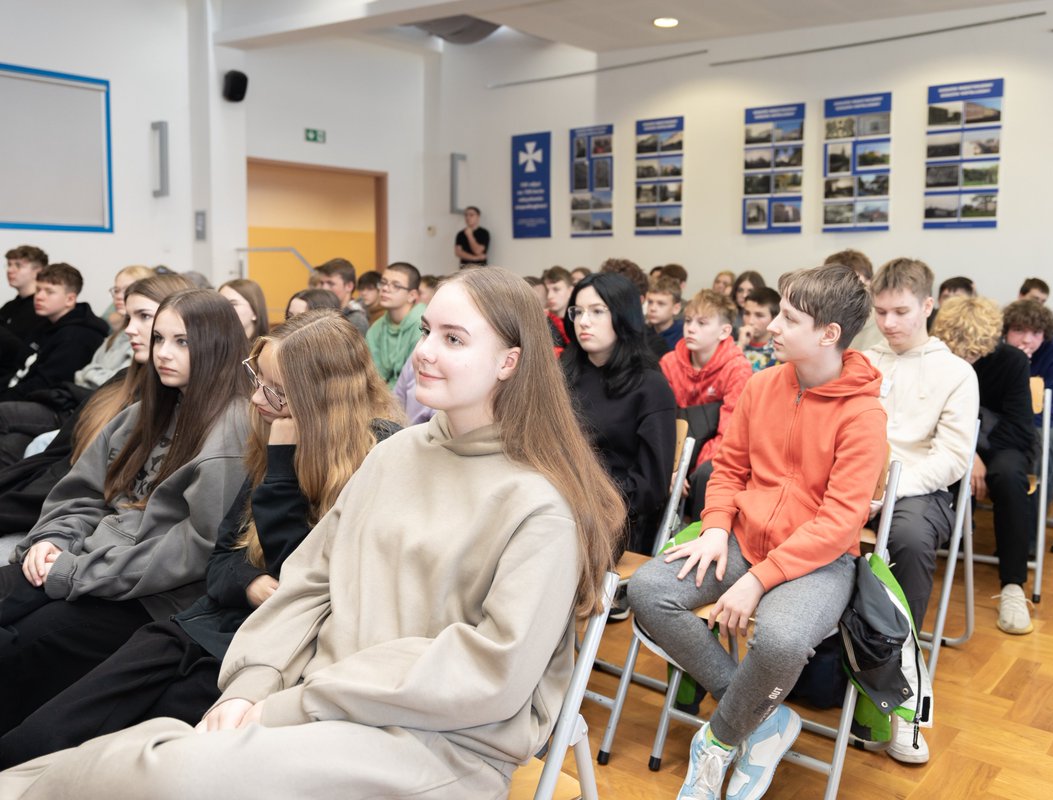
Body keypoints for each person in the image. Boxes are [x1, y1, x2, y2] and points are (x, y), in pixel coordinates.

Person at [0, 267, 625, 800]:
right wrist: (251, 684)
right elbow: (308, 583)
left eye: (454, 339)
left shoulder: (540, 504)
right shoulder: (398, 454)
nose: (424, 352)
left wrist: (285, 705)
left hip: (436, 742)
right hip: (319, 699)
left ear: (510, 362)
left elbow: (490, 672)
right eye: (429, 330)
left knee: (171, 774)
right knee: (119, 758)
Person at [0, 310, 401, 768]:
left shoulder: (379, 454)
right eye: (258, 378)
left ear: (319, 396)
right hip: (198, 624)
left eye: (276, 390)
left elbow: (303, 577)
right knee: (36, 738)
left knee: (124, 763)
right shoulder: (274, 432)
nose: (257, 398)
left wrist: (282, 465)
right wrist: (250, 583)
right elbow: (222, 564)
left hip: (262, 650)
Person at [628, 264, 887, 800]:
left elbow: (841, 522)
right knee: (649, 591)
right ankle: (764, 725)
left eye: (788, 318)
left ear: (828, 334)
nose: (771, 326)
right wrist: (717, 528)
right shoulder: (763, 385)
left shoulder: (864, 416)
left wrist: (761, 579)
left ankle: (718, 743)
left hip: (816, 562)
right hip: (742, 538)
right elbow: (728, 469)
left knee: (781, 637)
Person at [0, 289, 250, 736]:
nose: (162, 354)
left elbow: (190, 553)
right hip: (83, 562)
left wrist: (76, 571)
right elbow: (80, 492)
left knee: (21, 646)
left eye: (182, 342)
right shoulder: (145, 412)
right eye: (159, 339)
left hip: (146, 598)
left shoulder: (229, 436)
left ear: (216, 345)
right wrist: (51, 539)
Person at [863, 258, 977, 762]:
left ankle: (903, 698)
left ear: (928, 306)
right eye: (881, 311)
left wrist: (891, 492)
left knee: (906, 541)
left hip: (917, 491)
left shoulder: (956, 372)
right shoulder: (864, 360)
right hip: (856, 482)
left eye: (902, 311)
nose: (890, 323)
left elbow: (951, 459)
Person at [0, 275, 193, 538]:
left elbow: (108, 498)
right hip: (50, 501)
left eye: (144, 317)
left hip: (75, 518)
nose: (129, 329)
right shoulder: (121, 381)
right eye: (128, 318)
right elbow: (57, 458)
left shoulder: (169, 402)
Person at [933, 297, 1036, 635]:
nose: (966, 361)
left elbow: (1019, 427)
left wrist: (974, 450)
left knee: (1008, 477)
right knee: (942, 473)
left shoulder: (1012, 361)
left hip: (1002, 444)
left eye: (974, 356)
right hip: (954, 444)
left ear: (990, 344)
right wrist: (967, 454)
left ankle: (1013, 586)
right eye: (960, 355)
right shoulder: (937, 359)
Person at [562, 272, 676, 556]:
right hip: (557, 498)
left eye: (597, 311)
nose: (583, 321)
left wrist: (593, 496)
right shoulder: (564, 372)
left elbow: (651, 486)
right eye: (578, 311)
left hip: (612, 516)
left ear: (624, 317)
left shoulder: (650, 385)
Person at [0, 265, 108, 464]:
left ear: (70, 299)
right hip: (25, 397)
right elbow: (19, 370)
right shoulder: (45, 324)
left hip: (53, 406)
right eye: (38, 289)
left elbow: (45, 384)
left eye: (49, 292)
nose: (39, 296)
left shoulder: (78, 336)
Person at [660, 290, 753, 520]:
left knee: (707, 474)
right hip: (678, 445)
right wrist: (671, 468)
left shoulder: (737, 368)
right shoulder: (669, 362)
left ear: (724, 331)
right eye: (688, 321)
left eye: (702, 323)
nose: (691, 328)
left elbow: (729, 431)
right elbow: (663, 421)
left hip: (710, 453)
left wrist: (687, 472)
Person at [1004, 299, 1053, 485]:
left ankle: (1035, 510)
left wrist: (1022, 367)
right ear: (1006, 331)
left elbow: (1051, 412)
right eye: (1019, 330)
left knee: (1040, 439)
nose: (1027, 339)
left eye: (1036, 333)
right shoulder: (996, 350)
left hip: (1052, 418)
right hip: (1006, 416)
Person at [366, 262, 426, 389]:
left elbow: (417, 379)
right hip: (381, 398)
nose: (385, 289)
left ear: (412, 295)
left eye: (396, 285)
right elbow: (371, 375)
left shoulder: (424, 327)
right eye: (383, 282)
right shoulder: (376, 328)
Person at [827, 249, 884, 351]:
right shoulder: (815, 322)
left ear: (870, 283)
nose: (849, 295)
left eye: (857, 285)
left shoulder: (885, 322)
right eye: (839, 287)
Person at [2, 246, 50, 344]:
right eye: (9, 265)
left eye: (18, 265)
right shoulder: (9, 307)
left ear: (38, 271)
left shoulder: (43, 309)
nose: (10, 270)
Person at [314, 259, 369, 335]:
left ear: (349, 286)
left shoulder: (357, 320)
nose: (324, 288)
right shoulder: (323, 312)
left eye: (331, 283)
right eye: (322, 283)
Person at [737, 287, 780, 372]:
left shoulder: (780, 351)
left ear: (774, 319)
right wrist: (740, 345)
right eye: (747, 313)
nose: (750, 321)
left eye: (759, 315)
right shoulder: (733, 347)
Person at [644, 276, 684, 356]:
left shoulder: (683, 335)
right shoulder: (641, 333)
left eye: (661, 304)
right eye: (650, 302)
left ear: (676, 308)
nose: (653, 308)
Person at [542, 266, 573, 346]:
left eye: (556, 289)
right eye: (547, 290)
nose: (549, 296)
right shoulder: (543, 319)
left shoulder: (579, 319)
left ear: (570, 291)